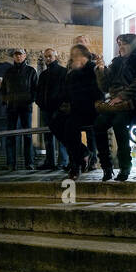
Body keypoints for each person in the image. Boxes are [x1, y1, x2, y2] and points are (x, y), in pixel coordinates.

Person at [93, 32, 136, 182]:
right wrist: (101, 70)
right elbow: (105, 86)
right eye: (119, 44)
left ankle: (125, 166)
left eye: (124, 43)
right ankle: (106, 168)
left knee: (119, 122)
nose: (120, 47)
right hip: (117, 105)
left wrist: (122, 96)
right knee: (99, 124)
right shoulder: (117, 63)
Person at [46, 40, 105, 178]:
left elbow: (98, 93)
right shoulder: (72, 73)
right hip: (74, 109)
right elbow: (65, 93)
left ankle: (75, 165)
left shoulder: (93, 69)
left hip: (90, 110)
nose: (72, 58)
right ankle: (83, 153)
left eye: (75, 55)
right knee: (54, 123)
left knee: (70, 127)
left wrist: (74, 102)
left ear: (83, 56)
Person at [0, 49, 38, 169]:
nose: (18, 56)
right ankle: (11, 163)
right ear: (14, 57)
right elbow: (4, 89)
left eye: (20, 54)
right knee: (10, 135)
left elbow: (35, 89)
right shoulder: (8, 71)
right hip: (12, 107)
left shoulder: (31, 71)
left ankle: (29, 163)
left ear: (25, 56)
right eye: (16, 55)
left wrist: (30, 100)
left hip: (26, 107)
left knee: (27, 135)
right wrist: (6, 100)